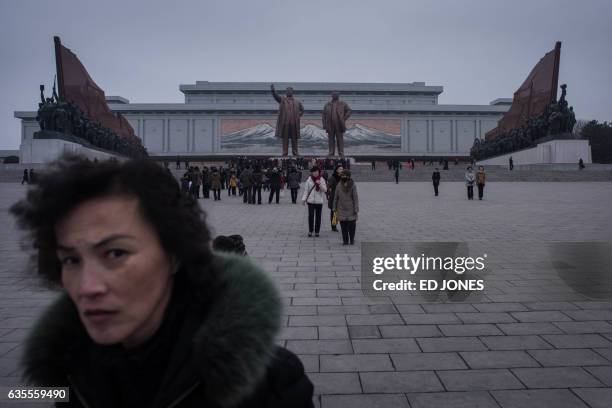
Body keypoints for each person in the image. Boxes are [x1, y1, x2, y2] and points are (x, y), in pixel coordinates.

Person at [10, 155, 314, 408]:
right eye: (71, 259)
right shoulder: (69, 375)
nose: (87, 286)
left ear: (175, 253)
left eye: (116, 253)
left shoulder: (269, 384)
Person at [271, 84, 304, 156]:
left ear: (292, 92)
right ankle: (285, 152)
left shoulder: (297, 102)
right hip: (285, 123)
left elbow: (302, 109)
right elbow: (276, 97)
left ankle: (295, 152)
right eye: (287, 91)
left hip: (294, 124)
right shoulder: (283, 100)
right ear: (286, 92)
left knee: (294, 139)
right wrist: (273, 91)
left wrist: (298, 115)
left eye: (290, 91)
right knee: (285, 139)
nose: (289, 92)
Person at [322, 91, 352, 156]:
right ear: (331, 95)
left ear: (338, 96)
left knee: (340, 139)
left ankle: (341, 152)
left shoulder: (343, 103)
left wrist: (344, 119)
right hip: (330, 124)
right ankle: (331, 152)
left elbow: (349, 110)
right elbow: (323, 115)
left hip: (339, 124)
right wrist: (324, 124)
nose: (335, 95)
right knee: (331, 139)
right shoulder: (327, 104)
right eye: (334, 94)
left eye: (336, 94)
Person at [333, 170, 359, 245]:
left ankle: (351, 239)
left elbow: (355, 197)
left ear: (349, 176)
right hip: (341, 209)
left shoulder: (353, 185)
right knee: (343, 226)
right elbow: (336, 198)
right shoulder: (338, 185)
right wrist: (334, 207)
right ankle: (345, 240)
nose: (343, 177)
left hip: (351, 209)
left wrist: (356, 208)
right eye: (342, 175)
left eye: (345, 175)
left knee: (352, 226)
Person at [302, 166, 327, 237]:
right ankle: (310, 230)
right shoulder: (309, 180)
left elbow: (325, 190)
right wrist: (304, 199)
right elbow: (306, 191)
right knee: (311, 216)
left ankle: (317, 231)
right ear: (312, 173)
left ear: (319, 172)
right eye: (314, 172)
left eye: (316, 172)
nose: (315, 173)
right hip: (311, 201)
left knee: (318, 217)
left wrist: (320, 184)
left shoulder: (322, 179)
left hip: (319, 201)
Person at [326, 165, 343, 232]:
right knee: (334, 212)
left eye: (342, 169)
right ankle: (334, 226)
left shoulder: (343, 177)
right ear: (337, 170)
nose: (342, 170)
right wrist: (329, 193)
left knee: (340, 212)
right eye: (340, 169)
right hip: (334, 198)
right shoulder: (333, 178)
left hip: (341, 198)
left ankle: (341, 224)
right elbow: (328, 186)